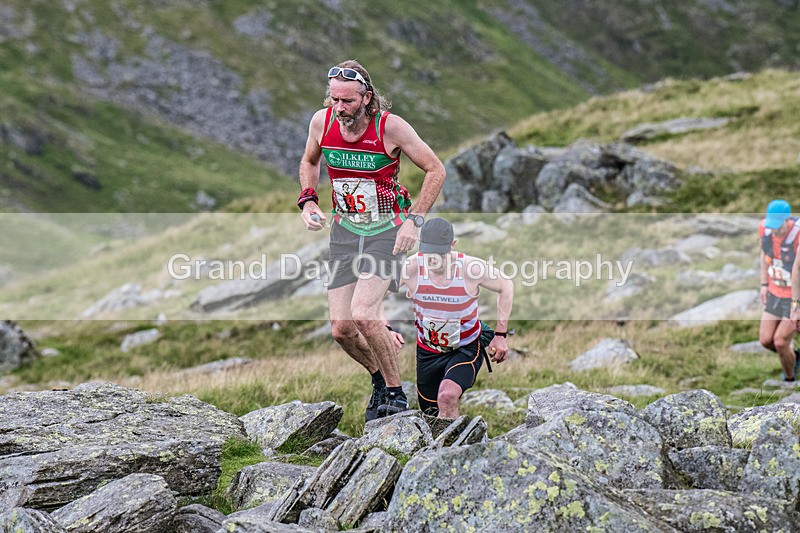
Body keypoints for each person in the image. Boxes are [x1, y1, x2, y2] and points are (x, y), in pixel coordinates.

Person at [298, 60, 445, 421]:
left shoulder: (389, 128)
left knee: (363, 313)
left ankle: (396, 393)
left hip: (387, 232)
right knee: (342, 329)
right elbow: (309, 161)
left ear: (367, 97)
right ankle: (378, 380)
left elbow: (435, 169)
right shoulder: (322, 121)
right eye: (334, 99)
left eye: (347, 101)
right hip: (346, 232)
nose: (340, 108)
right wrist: (308, 199)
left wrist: (415, 221)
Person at [399, 218, 514, 418]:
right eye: (427, 252)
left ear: (452, 246)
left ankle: (451, 449)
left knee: (447, 396)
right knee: (431, 415)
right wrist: (385, 328)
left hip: (465, 348)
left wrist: (500, 334)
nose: (432, 258)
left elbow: (506, 285)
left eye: (439, 252)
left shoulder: (470, 268)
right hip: (427, 352)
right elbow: (375, 296)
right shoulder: (411, 267)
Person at [759, 199, 800, 382]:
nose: (775, 230)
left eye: (778, 226)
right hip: (775, 291)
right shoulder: (765, 229)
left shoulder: (797, 235)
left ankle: (790, 382)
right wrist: (764, 285)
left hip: (794, 295)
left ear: (787, 220)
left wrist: (796, 305)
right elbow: (764, 255)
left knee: (780, 341)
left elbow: (797, 270)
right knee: (766, 340)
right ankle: (794, 357)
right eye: (772, 225)